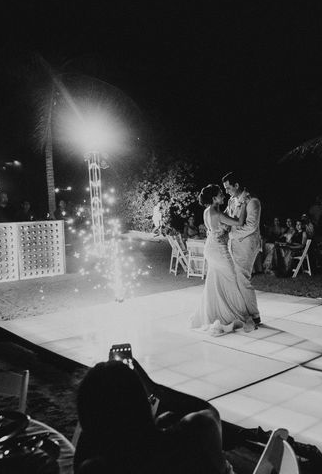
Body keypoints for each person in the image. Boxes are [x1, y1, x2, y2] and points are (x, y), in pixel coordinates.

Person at [74, 360, 234, 474]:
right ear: (142, 403)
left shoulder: (97, 468)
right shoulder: (189, 439)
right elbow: (209, 412)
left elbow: (82, 454)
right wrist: (152, 387)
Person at [190, 184, 255, 335]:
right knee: (231, 278)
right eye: (220, 194)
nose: (223, 196)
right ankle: (233, 314)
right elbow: (239, 222)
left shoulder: (208, 211)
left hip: (211, 247)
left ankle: (217, 313)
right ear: (214, 198)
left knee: (216, 281)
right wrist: (244, 204)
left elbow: (222, 223)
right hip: (218, 249)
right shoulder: (217, 214)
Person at [222, 172, 262, 326]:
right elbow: (226, 216)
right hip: (233, 245)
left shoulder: (253, 201)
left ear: (237, 185)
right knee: (236, 278)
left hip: (247, 246)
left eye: (228, 187)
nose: (226, 191)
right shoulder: (232, 201)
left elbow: (251, 226)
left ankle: (255, 315)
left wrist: (231, 234)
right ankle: (243, 311)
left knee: (243, 279)